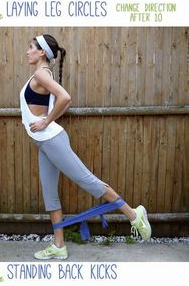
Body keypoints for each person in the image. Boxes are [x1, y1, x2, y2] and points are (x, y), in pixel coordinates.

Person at [20, 32, 152, 257]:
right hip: (44, 143)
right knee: (49, 193)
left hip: (52, 140)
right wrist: (45, 121)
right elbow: (56, 103)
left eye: (31, 47)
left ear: (42, 52)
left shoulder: (41, 74)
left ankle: (133, 214)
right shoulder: (44, 74)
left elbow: (66, 98)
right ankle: (59, 246)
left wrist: (46, 122)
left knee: (87, 180)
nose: (27, 51)